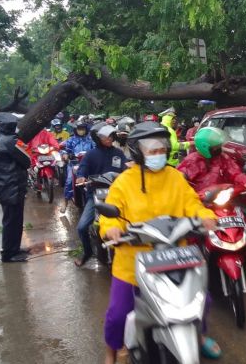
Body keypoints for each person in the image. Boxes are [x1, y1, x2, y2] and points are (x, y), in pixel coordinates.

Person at [99, 121, 221, 364]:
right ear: (137, 151)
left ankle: (197, 335)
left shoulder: (175, 177)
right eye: (152, 150)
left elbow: (193, 204)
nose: (159, 154)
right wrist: (111, 227)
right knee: (118, 314)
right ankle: (112, 351)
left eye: (162, 149)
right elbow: (110, 213)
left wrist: (207, 217)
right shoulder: (125, 182)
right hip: (133, 261)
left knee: (202, 300)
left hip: (175, 256)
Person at [177, 127, 246, 296]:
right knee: (191, 238)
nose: (219, 149)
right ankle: (190, 278)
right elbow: (178, 182)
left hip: (223, 202)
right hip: (200, 206)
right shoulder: (191, 161)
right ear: (205, 147)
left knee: (243, 234)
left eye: (219, 145)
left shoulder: (223, 158)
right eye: (215, 146)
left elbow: (236, 173)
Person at [74, 123, 127, 267]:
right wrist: (81, 176)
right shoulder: (91, 154)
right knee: (82, 227)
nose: (109, 139)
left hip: (117, 195)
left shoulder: (118, 153)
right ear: (97, 138)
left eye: (110, 136)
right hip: (95, 195)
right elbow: (83, 168)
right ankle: (87, 252)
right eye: (105, 136)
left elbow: (127, 167)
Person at [0, 113, 32, 263]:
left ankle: (14, 248)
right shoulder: (10, 142)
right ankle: (9, 254)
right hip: (12, 186)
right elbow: (27, 161)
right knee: (13, 221)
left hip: (1, 185)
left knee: (11, 220)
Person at [62, 119, 96, 210]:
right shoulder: (71, 140)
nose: (81, 130)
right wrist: (65, 154)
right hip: (74, 164)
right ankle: (65, 202)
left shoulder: (91, 139)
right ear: (76, 129)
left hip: (89, 164)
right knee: (69, 181)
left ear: (86, 129)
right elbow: (65, 150)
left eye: (83, 128)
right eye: (79, 128)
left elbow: (96, 148)